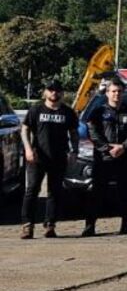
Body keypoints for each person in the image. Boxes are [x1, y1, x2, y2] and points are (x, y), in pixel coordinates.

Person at [20, 81, 78, 239]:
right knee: (32, 190)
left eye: (58, 90)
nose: (54, 93)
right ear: (45, 92)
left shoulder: (68, 112)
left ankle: (50, 225)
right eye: (51, 90)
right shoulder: (36, 110)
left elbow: (74, 133)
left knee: (55, 192)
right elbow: (25, 129)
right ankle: (27, 226)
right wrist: (27, 148)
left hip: (59, 157)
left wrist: (74, 151)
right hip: (37, 157)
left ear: (62, 93)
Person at [84, 78, 127, 236]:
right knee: (97, 193)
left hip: (124, 156)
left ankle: (126, 225)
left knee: (126, 192)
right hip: (104, 158)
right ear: (107, 93)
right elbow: (92, 132)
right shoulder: (98, 112)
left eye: (119, 91)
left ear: (123, 93)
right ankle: (90, 227)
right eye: (113, 91)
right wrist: (107, 148)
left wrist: (123, 146)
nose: (117, 94)